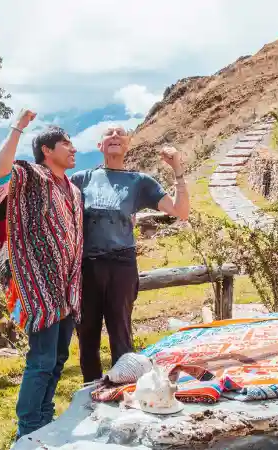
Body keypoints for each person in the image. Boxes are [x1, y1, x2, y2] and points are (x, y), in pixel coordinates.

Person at [0, 109, 83, 439]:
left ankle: (45, 418)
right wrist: (17, 127)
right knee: (41, 359)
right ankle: (27, 430)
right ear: (47, 150)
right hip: (38, 286)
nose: (73, 149)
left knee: (58, 357)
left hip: (67, 287)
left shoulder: (72, 190)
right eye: (67, 144)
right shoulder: (31, 176)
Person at [70, 126, 190, 383]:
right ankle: (91, 390)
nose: (114, 136)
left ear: (127, 144)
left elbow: (181, 211)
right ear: (100, 146)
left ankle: (122, 388)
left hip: (121, 265)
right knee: (87, 334)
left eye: (120, 133)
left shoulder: (139, 182)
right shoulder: (81, 179)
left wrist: (177, 169)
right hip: (87, 266)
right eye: (108, 133)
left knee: (121, 331)